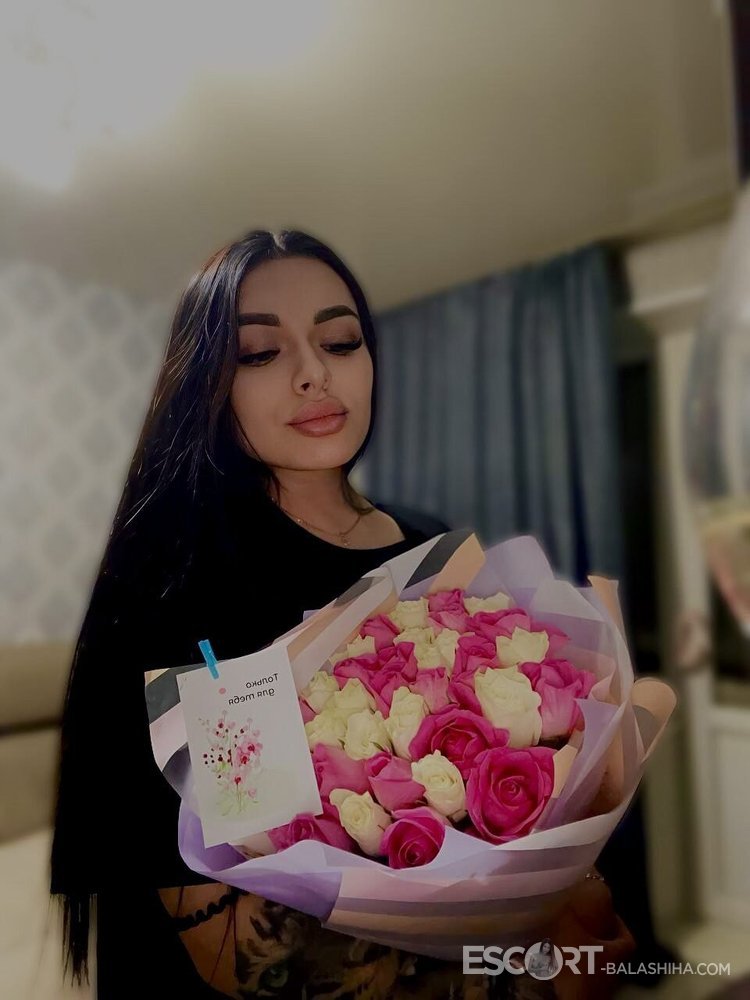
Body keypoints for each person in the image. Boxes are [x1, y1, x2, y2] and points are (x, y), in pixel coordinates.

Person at [50, 229, 633, 999]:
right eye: (260, 353)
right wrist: (522, 978)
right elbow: (229, 942)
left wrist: (568, 898)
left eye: (341, 341)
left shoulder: (433, 553)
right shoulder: (176, 589)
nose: (314, 373)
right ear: (208, 383)